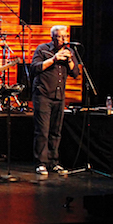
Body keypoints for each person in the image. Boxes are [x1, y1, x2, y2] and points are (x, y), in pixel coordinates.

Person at [30, 25, 79, 175]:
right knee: (43, 131)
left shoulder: (69, 51)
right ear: (53, 37)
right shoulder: (42, 49)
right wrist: (54, 59)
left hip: (59, 96)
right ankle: (41, 163)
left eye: (65, 36)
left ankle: (53, 162)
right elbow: (34, 68)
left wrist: (70, 60)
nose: (64, 39)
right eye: (60, 36)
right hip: (43, 94)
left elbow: (75, 73)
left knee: (56, 131)